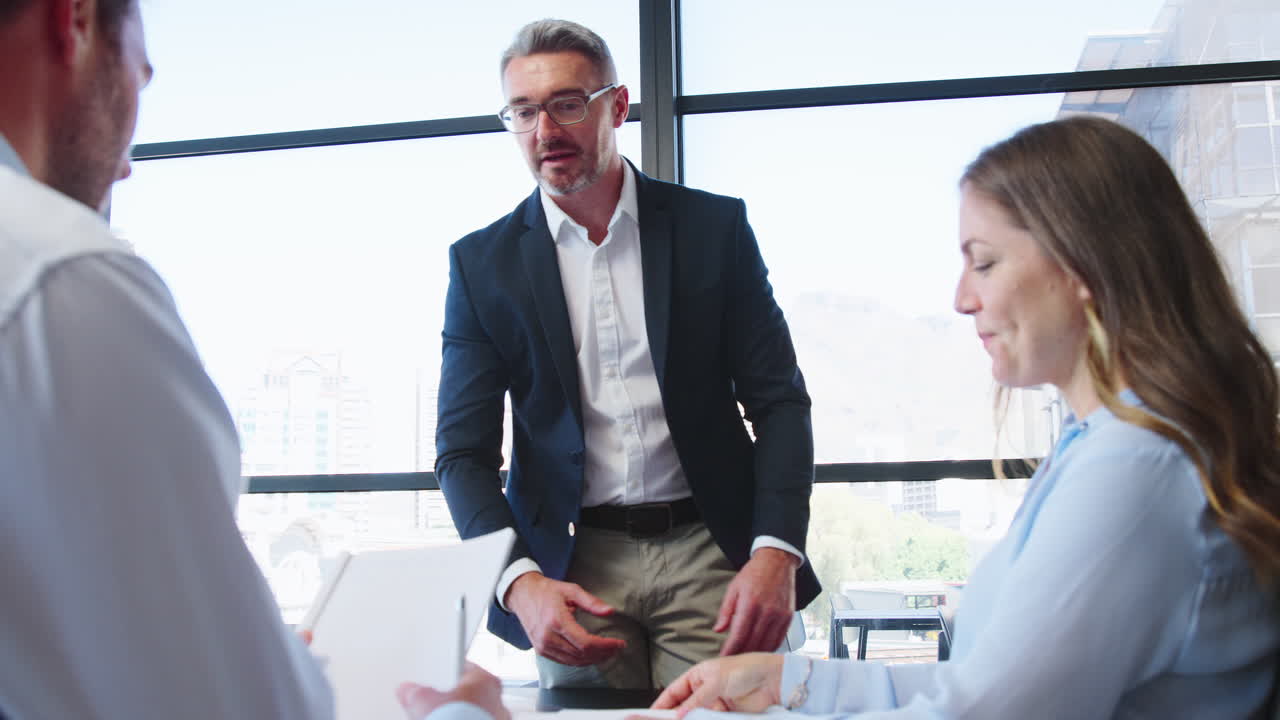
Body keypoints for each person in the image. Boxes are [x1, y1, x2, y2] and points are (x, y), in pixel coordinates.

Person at [649, 116, 1280, 718]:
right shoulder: (1107, 444)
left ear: (1083, 263)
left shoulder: (1136, 470)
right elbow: (980, 683)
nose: (961, 298)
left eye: (984, 262)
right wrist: (788, 682)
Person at [0, 1, 505, 718]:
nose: (128, 163)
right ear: (74, 21)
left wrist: (237, 658)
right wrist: (459, 715)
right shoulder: (60, 279)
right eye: (139, 78)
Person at [435, 18, 820, 689]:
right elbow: (462, 454)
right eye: (522, 111)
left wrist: (776, 552)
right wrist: (519, 583)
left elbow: (779, 402)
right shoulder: (481, 266)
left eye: (566, 104)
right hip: (571, 569)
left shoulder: (714, 230)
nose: (544, 132)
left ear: (617, 105)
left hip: (711, 553)